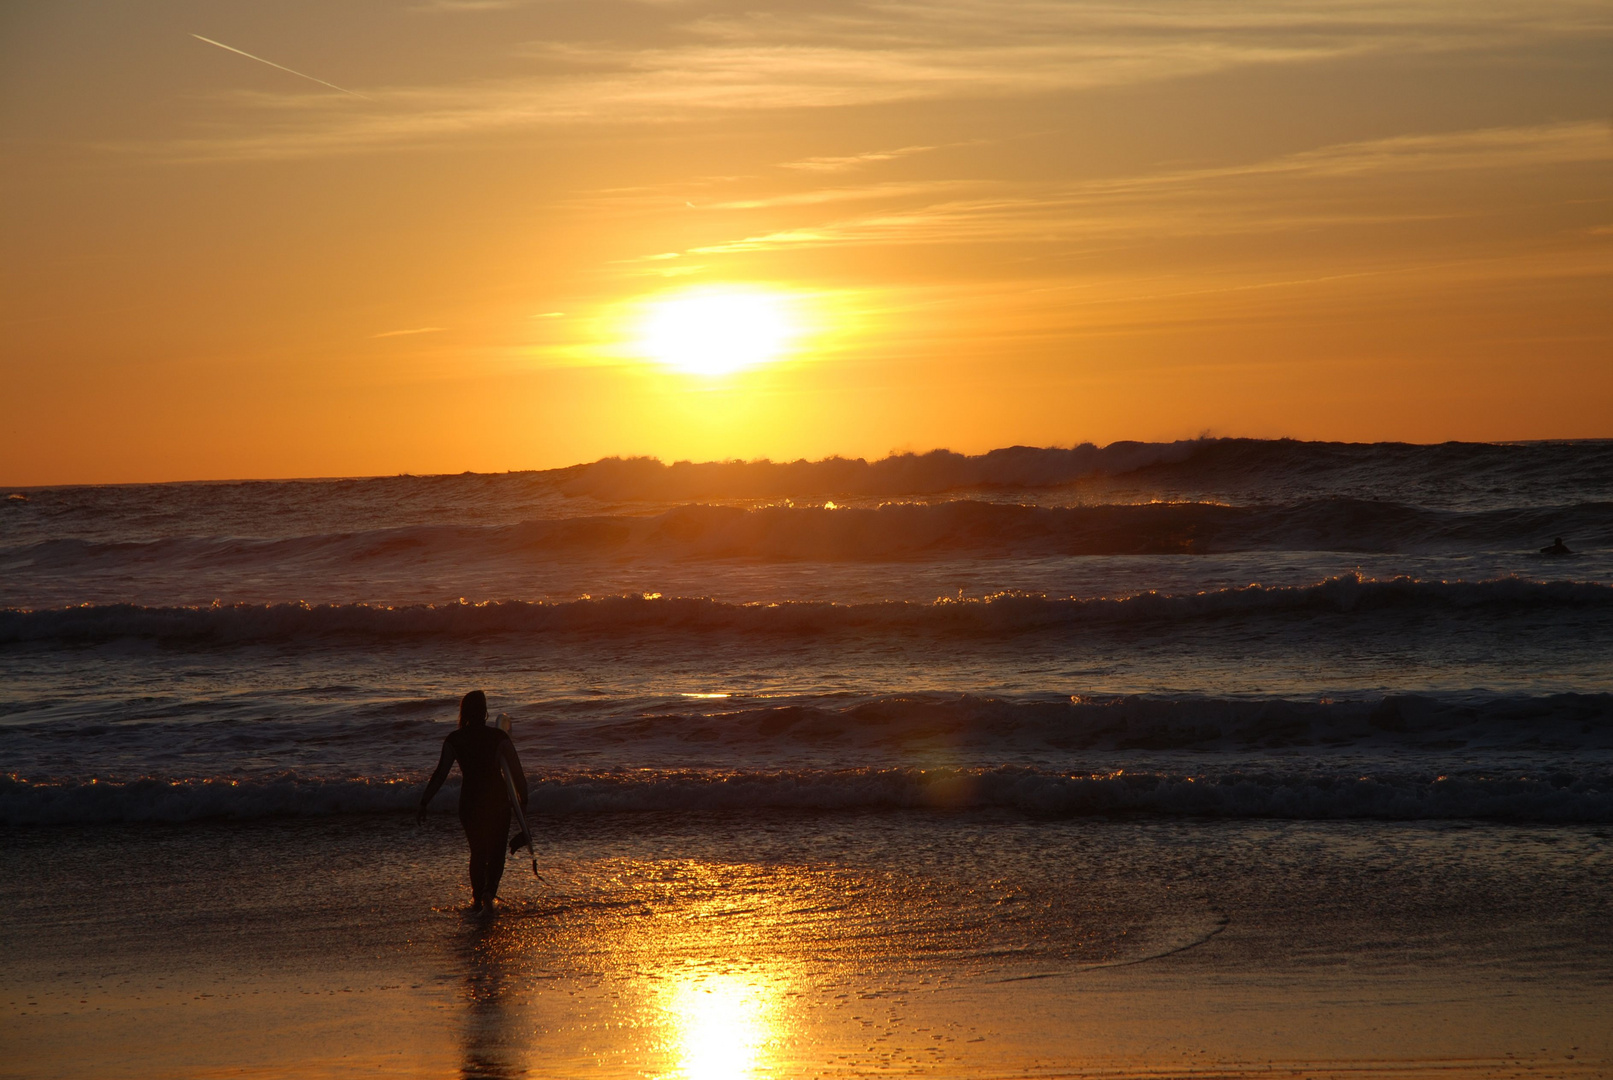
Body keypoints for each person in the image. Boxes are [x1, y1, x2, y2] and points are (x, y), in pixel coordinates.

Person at [419, 690, 528, 913]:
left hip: (470, 802)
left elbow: (440, 774)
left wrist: (424, 801)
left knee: (477, 852)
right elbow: (517, 775)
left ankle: (478, 899)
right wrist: (523, 811)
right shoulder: (499, 738)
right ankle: (489, 893)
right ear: (485, 711)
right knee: (497, 852)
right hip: (497, 801)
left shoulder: (455, 739)